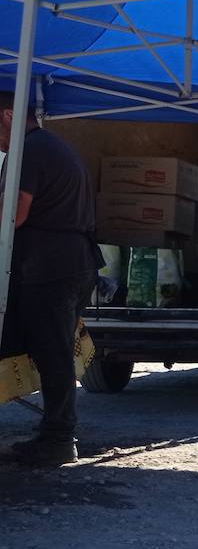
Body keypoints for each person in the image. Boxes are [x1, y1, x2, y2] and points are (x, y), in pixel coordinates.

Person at [0, 91, 102, 466]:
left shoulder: (29, 150)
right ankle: (54, 432)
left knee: (53, 352)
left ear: (9, 115)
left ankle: (59, 438)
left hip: (52, 268)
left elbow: (14, 215)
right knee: (51, 350)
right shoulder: (54, 146)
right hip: (70, 264)